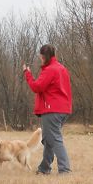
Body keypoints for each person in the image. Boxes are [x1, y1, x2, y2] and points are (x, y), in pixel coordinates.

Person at [22, 44, 72, 174]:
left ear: (43, 56)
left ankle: (65, 169)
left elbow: (37, 87)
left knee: (54, 139)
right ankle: (44, 168)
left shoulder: (50, 70)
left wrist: (27, 74)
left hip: (52, 109)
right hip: (63, 109)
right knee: (49, 139)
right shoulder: (62, 68)